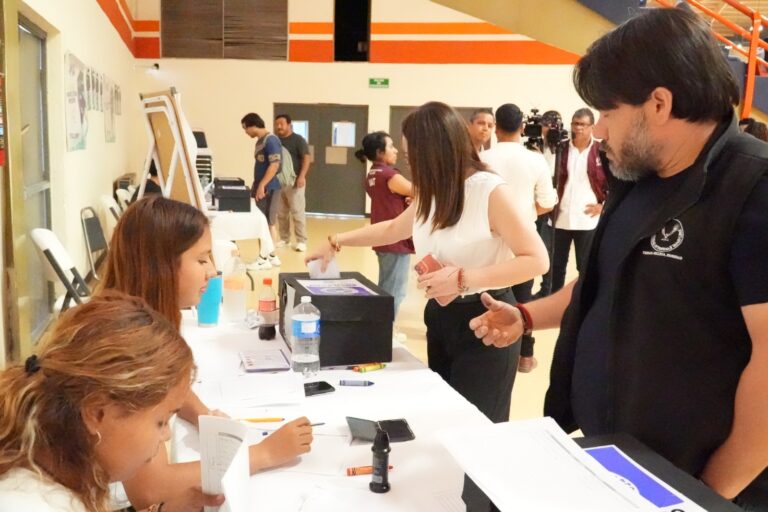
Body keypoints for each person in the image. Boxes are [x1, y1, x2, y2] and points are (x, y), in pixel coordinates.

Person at [469, 7, 768, 509]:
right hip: (618, 465)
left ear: (658, 103)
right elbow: (602, 286)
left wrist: (706, 496)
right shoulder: (637, 181)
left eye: (608, 113)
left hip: (698, 485)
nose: (599, 130)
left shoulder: (752, 190)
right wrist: (525, 316)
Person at [308, 101, 547, 511]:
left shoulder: (488, 191)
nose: (405, 160)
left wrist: (463, 278)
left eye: (410, 152)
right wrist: (337, 240)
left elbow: (536, 259)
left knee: (479, 437)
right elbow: (394, 228)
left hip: (486, 321)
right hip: (442, 318)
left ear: (434, 149)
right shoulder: (435, 192)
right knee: (445, 427)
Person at [98, 196, 313, 511]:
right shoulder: (132, 347)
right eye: (201, 260)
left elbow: (169, 390)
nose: (213, 271)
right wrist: (262, 454)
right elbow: (149, 486)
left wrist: (204, 415)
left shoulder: (134, 318)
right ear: (162, 266)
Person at [0, 292, 195, 512]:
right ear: (97, 413)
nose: (166, 435)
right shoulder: (28, 503)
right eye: (161, 421)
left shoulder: (60, 464)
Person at [480, 104, 558, 373]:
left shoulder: (482, 158)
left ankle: (488, 350)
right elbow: (548, 202)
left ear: (495, 127)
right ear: (523, 128)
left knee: (487, 295)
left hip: (486, 240)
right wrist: (523, 217)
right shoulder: (536, 160)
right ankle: (524, 357)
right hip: (524, 241)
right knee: (522, 299)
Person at [354, 131, 414, 317]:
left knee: (386, 283)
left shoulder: (372, 174)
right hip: (395, 239)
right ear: (380, 152)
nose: (395, 150)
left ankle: (380, 323)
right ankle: (387, 329)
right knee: (395, 288)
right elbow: (419, 192)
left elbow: (396, 198)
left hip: (382, 237)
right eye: (391, 147)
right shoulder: (389, 175)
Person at [550, 108, 608, 294]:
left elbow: (616, 181)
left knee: (584, 267)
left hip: (587, 220)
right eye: (575, 123)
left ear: (591, 126)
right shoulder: (560, 148)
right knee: (556, 267)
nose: (579, 128)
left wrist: (603, 206)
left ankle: (582, 304)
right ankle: (553, 303)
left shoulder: (602, 151)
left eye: (583, 124)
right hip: (560, 218)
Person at [241, 112, 282, 270]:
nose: (246, 132)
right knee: (263, 223)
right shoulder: (260, 141)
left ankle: (264, 257)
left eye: (246, 128)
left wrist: (262, 185)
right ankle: (271, 256)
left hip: (269, 187)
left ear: (253, 125)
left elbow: (274, 165)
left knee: (268, 223)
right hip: (261, 185)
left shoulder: (271, 140)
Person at [274, 114, 311, 252]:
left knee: (297, 212)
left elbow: (306, 159)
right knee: (281, 213)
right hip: (278, 183)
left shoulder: (298, 140)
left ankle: (302, 241)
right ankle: (284, 239)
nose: (279, 126)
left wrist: (301, 176)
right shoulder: (275, 140)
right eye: (276, 124)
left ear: (289, 125)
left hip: (295, 182)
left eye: (281, 124)